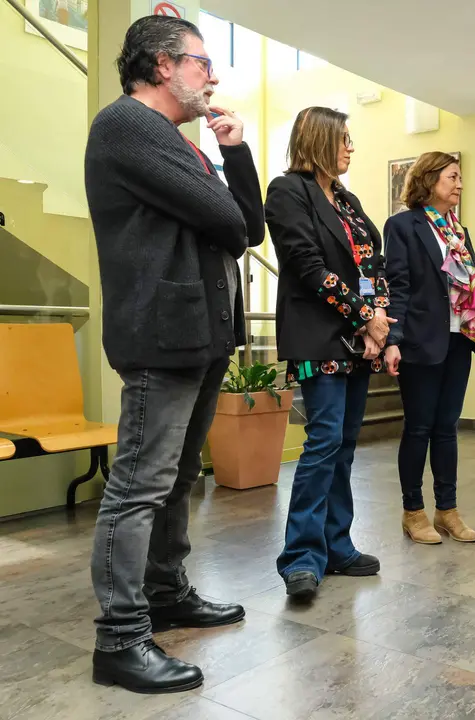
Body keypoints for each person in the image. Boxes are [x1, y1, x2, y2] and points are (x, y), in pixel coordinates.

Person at [85, 16, 264, 693]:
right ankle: (121, 637)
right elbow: (226, 221)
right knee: (139, 486)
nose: (210, 77)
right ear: (162, 66)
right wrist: (223, 201)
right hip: (161, 332)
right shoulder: (127, 126)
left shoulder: (183, 143)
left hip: (200, 332)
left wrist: (238, 152)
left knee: (179, 475)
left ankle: (167, 592)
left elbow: (246, 225)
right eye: (201, 62)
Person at [265, 107, 389, 600]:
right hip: (320, 336)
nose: (350, 148)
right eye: (343, 140)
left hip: (360, 340)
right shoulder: (287, 191)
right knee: (322, 444)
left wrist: (379, 321)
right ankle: (301, 557)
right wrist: (365, 316)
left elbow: (374, 265)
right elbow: (307, 265)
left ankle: (338, 545)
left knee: (345, 445)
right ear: (317, 140)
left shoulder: (347, 199)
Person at [384, 152, 475, 545]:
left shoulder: (458, 231)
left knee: (447, 429)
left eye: (460, 177)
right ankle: (413, 511)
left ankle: (447, 510)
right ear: (430, 180)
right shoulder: (403, 226)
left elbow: (470, 283)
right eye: (453, 176)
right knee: (419, 428)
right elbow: (397, 284)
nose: (459, 184)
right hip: (419, 340)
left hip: (458, 339)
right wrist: (392, 340)